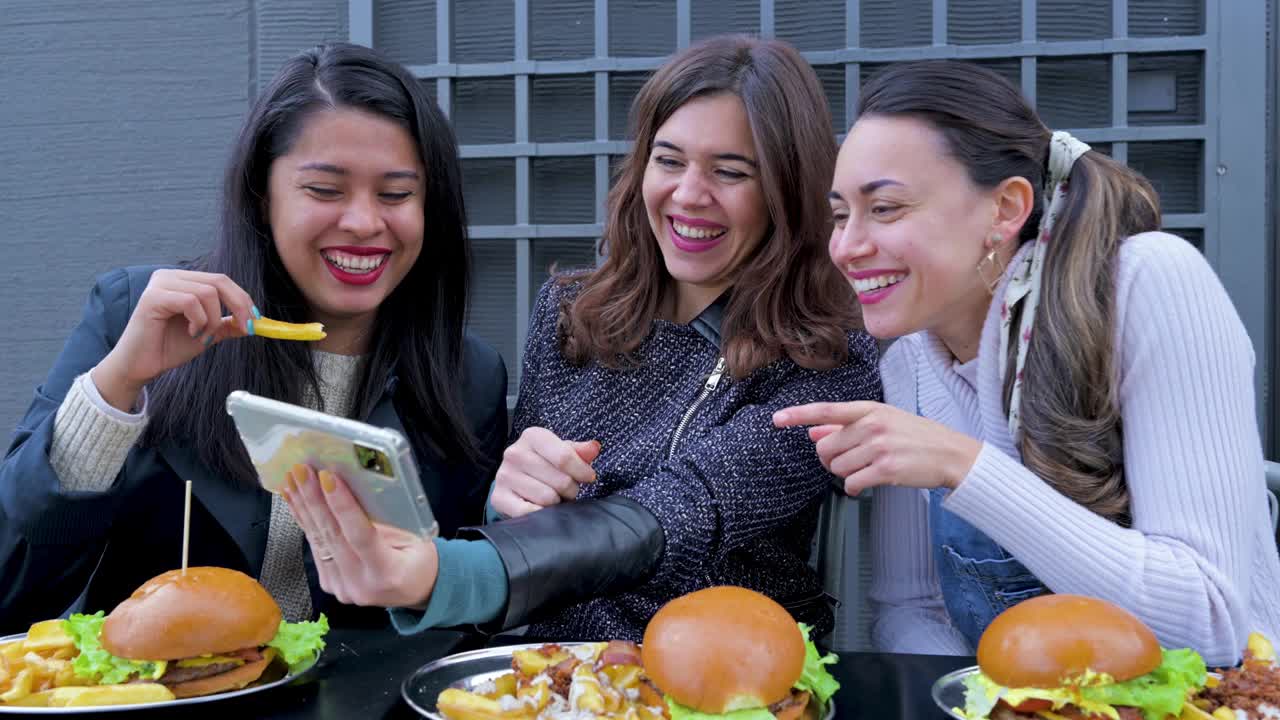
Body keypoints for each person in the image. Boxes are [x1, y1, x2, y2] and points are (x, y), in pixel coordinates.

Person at [283, 34, 882, 641]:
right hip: (552, 674)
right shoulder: (572, 311)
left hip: (718, 675)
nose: (689, 195)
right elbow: (524, 524)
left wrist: (447, 576)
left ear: (786, 190)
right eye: (669, 161)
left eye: (730, 172)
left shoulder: (829, 358)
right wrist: (509, 497)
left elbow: (678, 513)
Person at [773, 59, 1280, 666]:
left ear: (1006, 209)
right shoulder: (909, 364)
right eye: (839, 215)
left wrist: (965, 467)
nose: (848, 247)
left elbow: (1210, 622)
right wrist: (993, 700)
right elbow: (912, 612)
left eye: (884, 209)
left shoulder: (1149, 284)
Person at [0, 43, 508, 633]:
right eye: (324, 190)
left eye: (396, 194)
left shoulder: (468, 377)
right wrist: (117, 385)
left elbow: (465, 611)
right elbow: (13, 589)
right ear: (263, 196)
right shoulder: (140, 314)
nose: (365, 223)